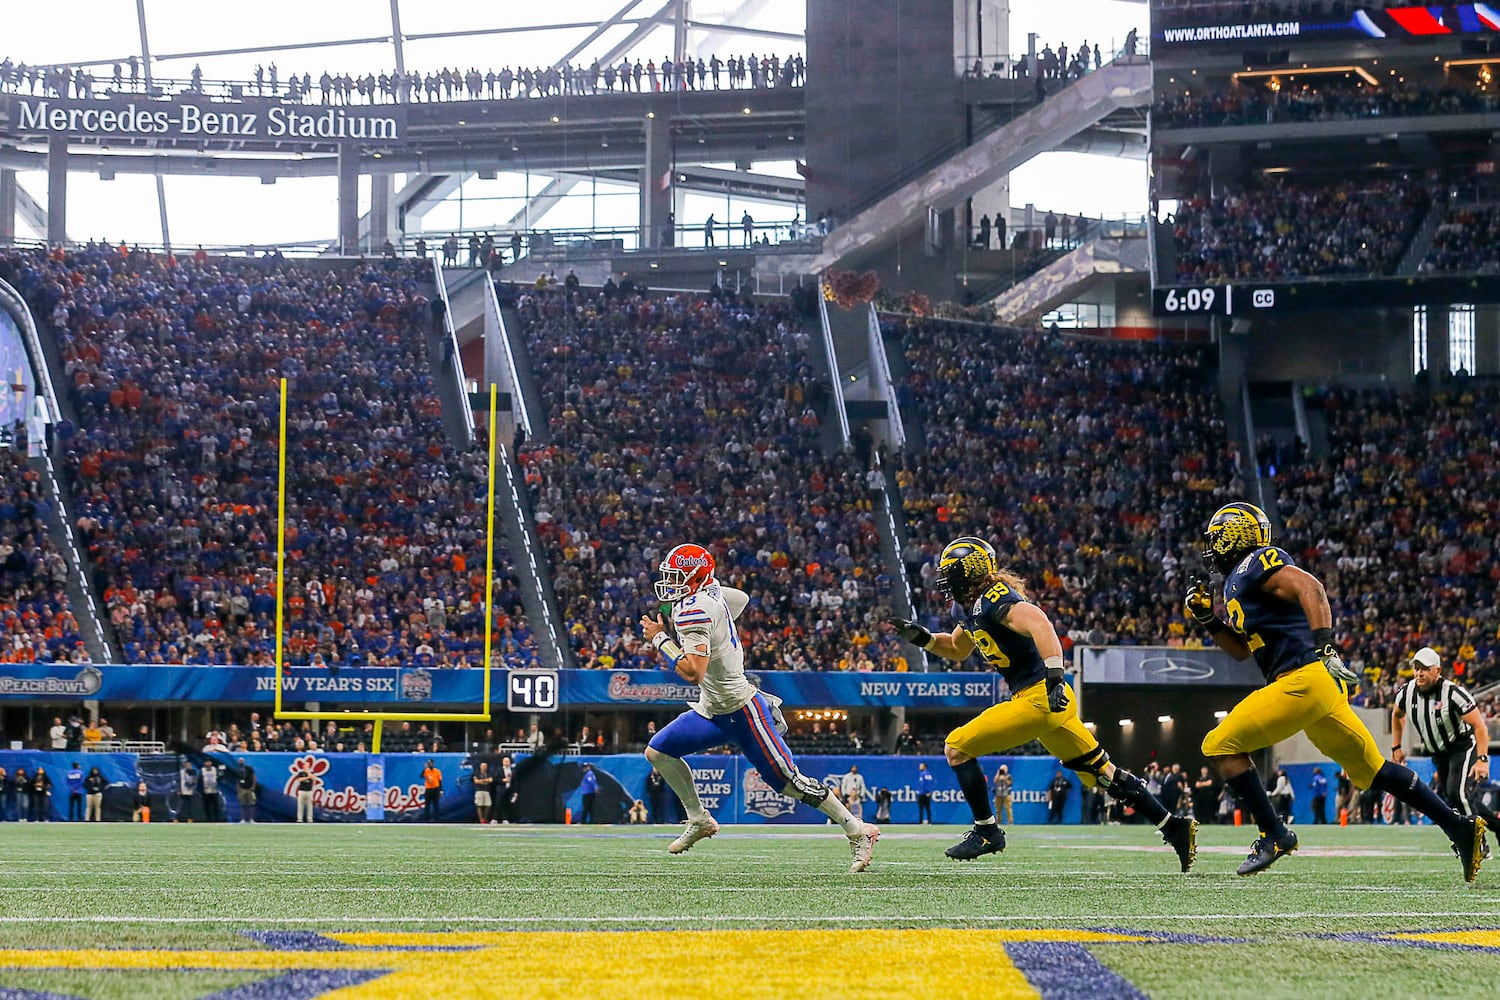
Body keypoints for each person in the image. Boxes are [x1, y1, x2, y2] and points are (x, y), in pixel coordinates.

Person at [1184, 501, 1487, 879]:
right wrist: (1208, 619)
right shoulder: (1237, 581)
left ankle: (1273, 833)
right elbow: (1243, 650)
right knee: (1372, 771)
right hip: (1315, 688)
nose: (1212, 546)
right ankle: (1459, 827)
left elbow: (1311, 587)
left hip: (1301, 680)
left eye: (1217, 537)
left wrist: (1325, 645)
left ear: (1233, 535)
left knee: (1218, 745)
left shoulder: (1257, 562)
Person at [891, 536, 1196, 869]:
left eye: (952, 571)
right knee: (1100, 773)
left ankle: (986, 831)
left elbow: (1040, 623)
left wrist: (1055, 675)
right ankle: (1173, 826)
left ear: (971, 571)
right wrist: (920, 637)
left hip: (1041, 696)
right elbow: (955, 647)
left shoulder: (997, 599)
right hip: (1046, 701)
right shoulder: (968, 607)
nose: (946, 579)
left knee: (956, 747)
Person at [641, 543, 879, 871]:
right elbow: (740, 599)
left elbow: (693, 672)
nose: (670, 583)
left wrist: (659, 639)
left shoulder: (690, 610)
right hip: (711, 710)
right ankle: (699, 819)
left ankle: (858, 830)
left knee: (788, 782)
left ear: (695, 578)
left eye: (677, 577)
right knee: (658, 752)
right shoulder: (709, 595)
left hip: (742, 710)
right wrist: (719, 630)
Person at [1392, 646, 1490, 813]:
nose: (1419, 673)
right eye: (1417, 669)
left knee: (1457, 794)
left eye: (1425, 669)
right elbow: (1397, 715)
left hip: (1461, 746)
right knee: (1454, 798)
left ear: (1437, 671)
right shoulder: (1407, 693)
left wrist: (1482, 759)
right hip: (1437, 753)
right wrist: (1396, 747)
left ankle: (1471, 839)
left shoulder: (1453, 693)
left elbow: (1479, 725)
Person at [236, 758, 257, 823]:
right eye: (239, 761)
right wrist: (238, 789)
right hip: (242, 789)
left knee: (251, 804)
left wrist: (253, 786)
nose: (241, 762)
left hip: (249, 788)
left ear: (244, 762)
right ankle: (243, 819)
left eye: (242, 761)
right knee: (243, 804)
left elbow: (254, 777)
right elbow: (237, 780)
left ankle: (251, 819)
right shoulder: (238, 770)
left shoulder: (249, 768)